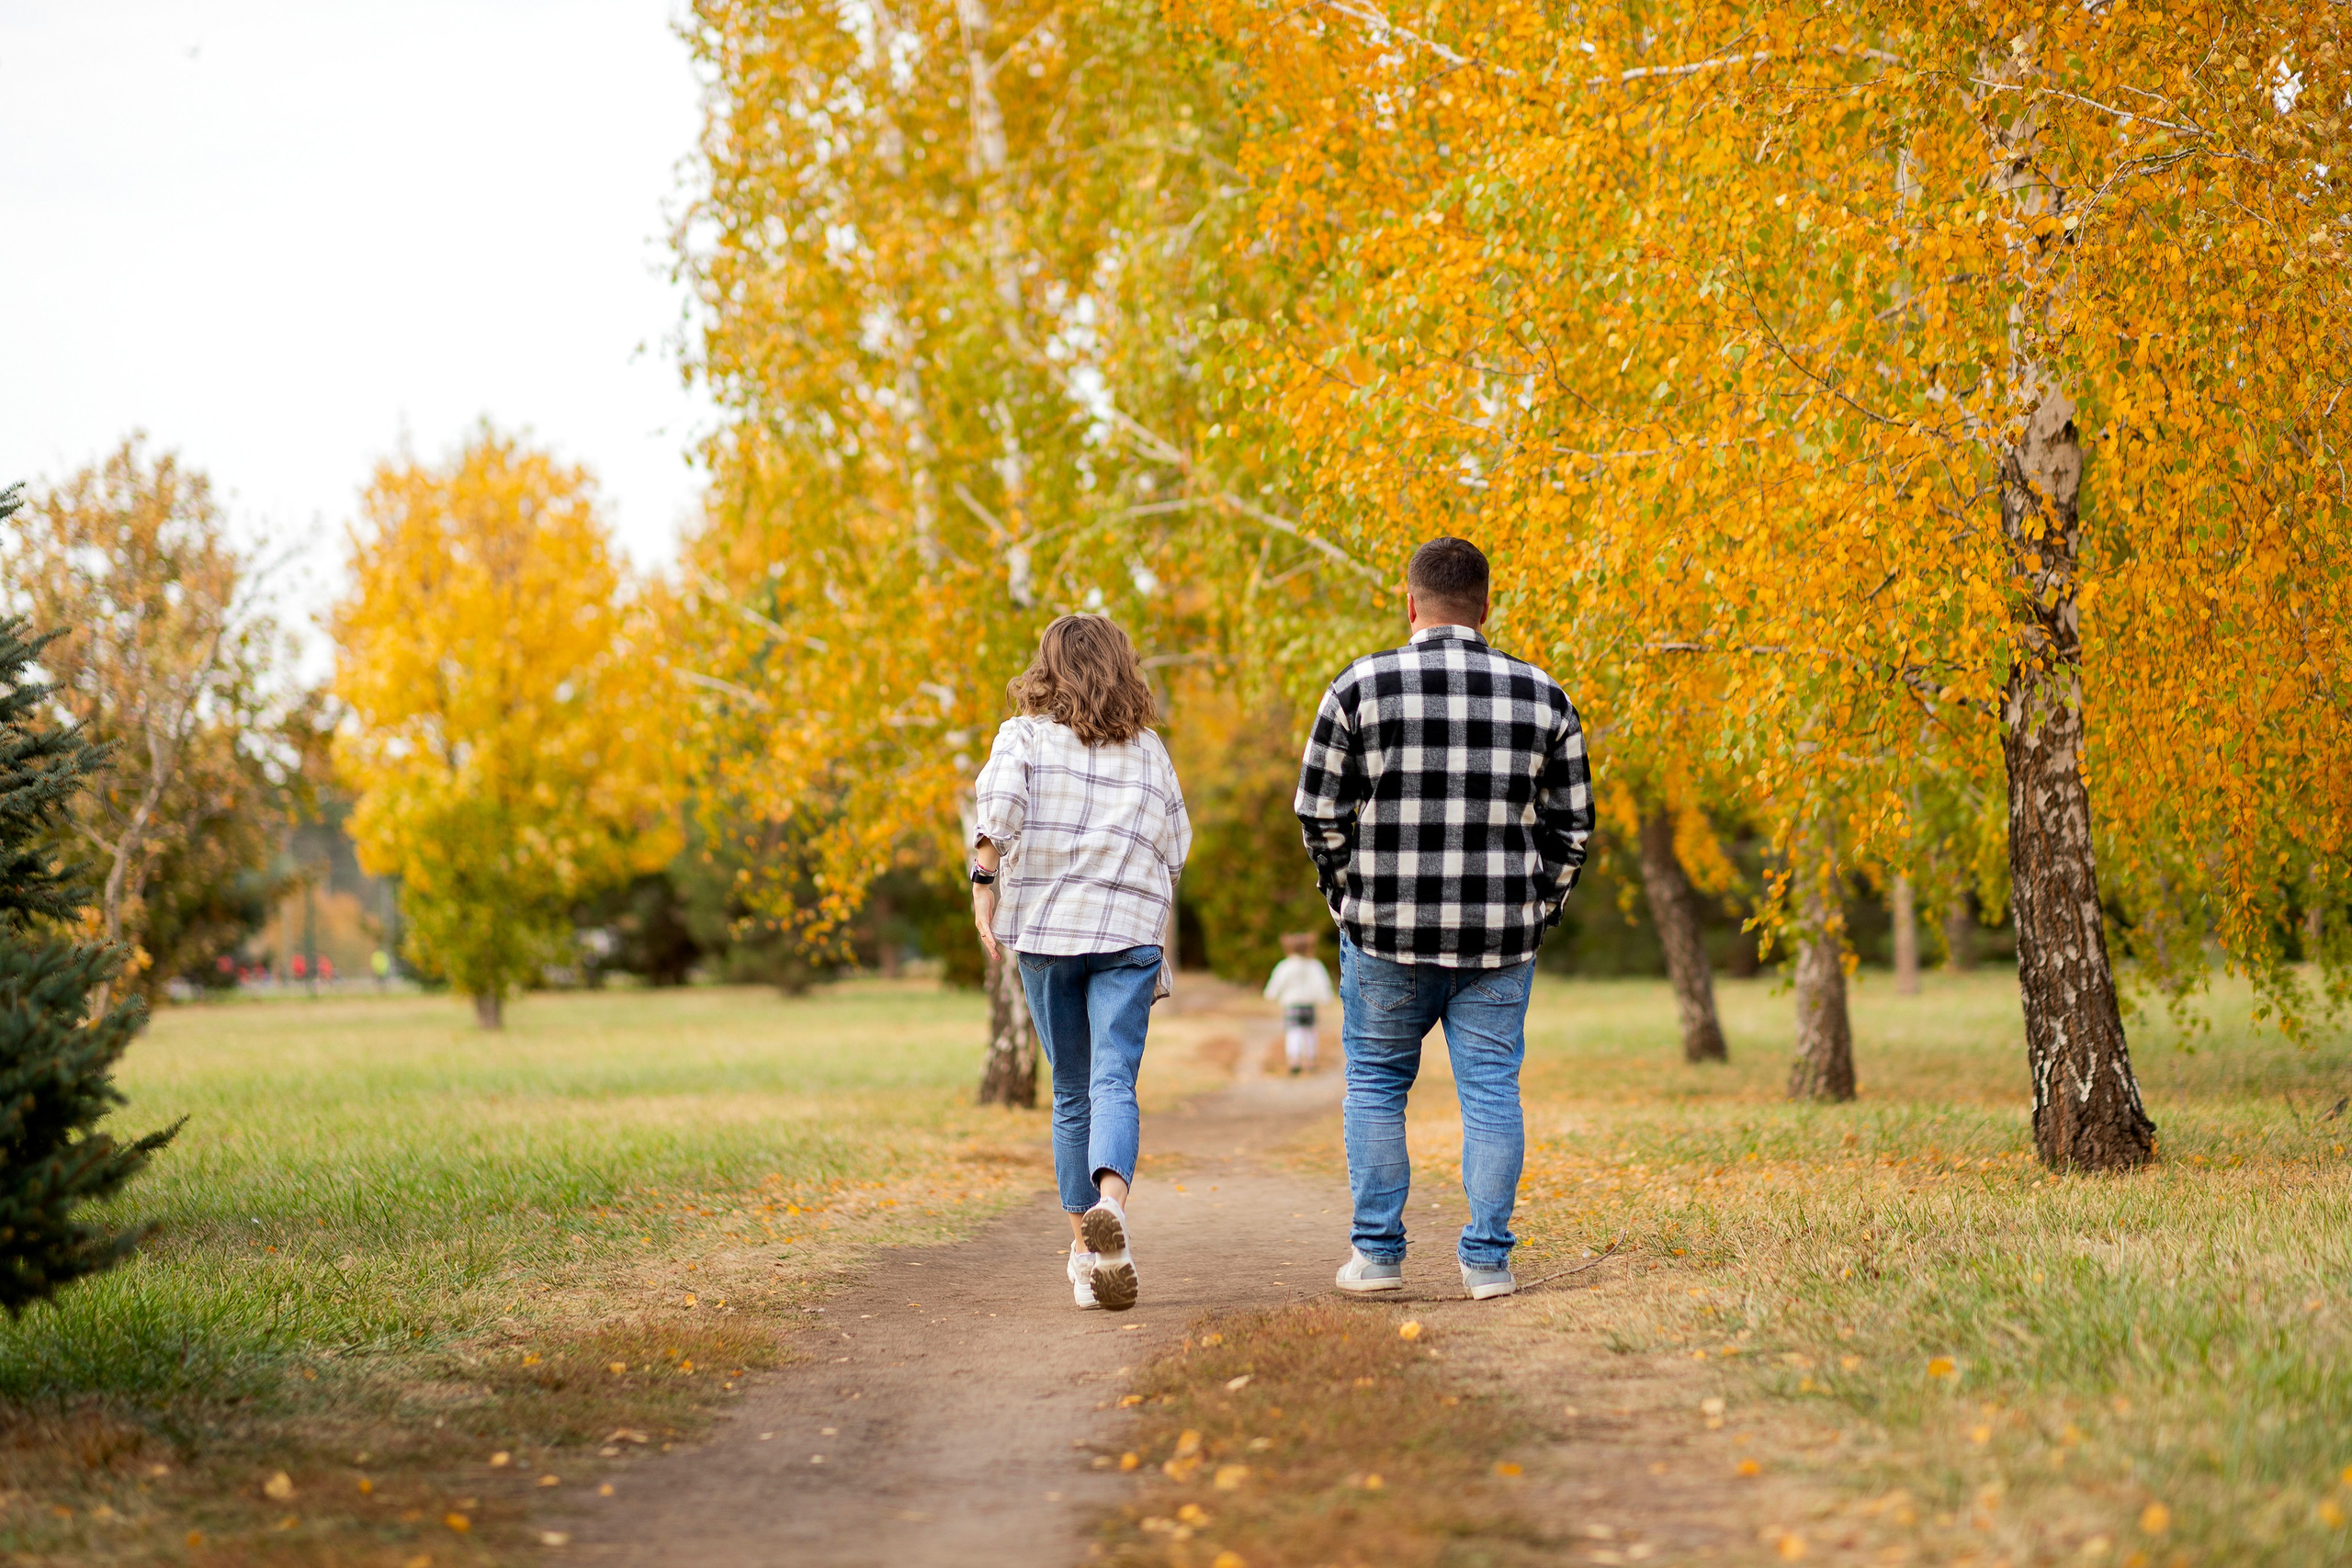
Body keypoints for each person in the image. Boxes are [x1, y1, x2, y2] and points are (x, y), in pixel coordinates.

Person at [1295, 536, 1592, 1301]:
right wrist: (1539, 907)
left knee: (1375, 1086)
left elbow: (1318, 813)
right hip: (1498, 939)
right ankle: (1488, 1262)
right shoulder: (1545, 696)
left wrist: (1347, 897)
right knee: (1492, 1090)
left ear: (1410, 600)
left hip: (1384, 933)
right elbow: (1573, 827)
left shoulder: (1358, 688)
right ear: (1486, 605)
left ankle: (1379, 1256)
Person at [970, 615, 1191, 1313]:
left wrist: (983, 884)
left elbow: (999, 808)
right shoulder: (1150, 749)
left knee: (1071, 1091)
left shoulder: (1025, 734)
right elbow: (1177, 843)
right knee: (1113, 1078)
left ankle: (1085, 1254)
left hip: (1048, 930)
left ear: (1047, 668)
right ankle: (1113, 1207)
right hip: (1127, 931)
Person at [1262, 931, 1334, 1074]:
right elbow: (1322, 984)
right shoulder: (1314, 965)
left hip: (1292, 1005)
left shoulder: (1285, 966)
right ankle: (1310, 1061)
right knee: (1310, 1033)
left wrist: (1270, 995)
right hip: (1309, 1004)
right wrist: (1326, 998)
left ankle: (1294, 1061)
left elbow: (1277, 983)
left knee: (1293, 1033)